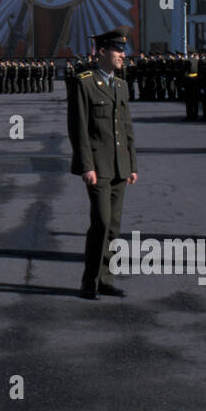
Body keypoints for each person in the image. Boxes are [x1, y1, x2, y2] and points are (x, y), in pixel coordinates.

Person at [68, 27, 138, 299]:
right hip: (98, 166)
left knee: (115, 225)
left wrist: (132, 164)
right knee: (101, 221)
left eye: (123, 50)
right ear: (102, 52)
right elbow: (79, 129)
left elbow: (126, 127)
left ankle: (106, 279)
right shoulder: (83, 82)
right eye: (118, 50)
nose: (123, 55)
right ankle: (90, 281)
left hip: (120, 165)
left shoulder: (120, 85)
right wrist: (86, 166)